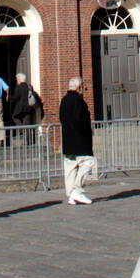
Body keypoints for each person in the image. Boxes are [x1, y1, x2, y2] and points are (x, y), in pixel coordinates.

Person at [59, 77, 95, 205]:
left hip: (67, 138)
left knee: (70, 166)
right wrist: (87, 130)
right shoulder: (79, 101)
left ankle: (70, 195)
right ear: (78, 87)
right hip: (79, 139)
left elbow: (61, 118)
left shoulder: (63, 100)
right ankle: (77, 189)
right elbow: (80, 120)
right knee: (88, 162)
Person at [10, 73, 38, 140]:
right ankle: (27, 141)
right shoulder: (29, 87)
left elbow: (15, 98)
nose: (16, 81)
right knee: (27, 122)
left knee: (14, 117)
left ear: (19, 80)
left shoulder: (18, 88)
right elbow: (34, 95)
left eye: (17, 79)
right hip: (29, 107)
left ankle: (22, 129)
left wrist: (8, 99)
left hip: (20, 107)